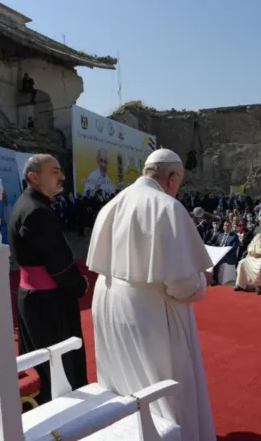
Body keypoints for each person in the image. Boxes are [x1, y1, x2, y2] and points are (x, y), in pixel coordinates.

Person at [86, 148, 216, 440]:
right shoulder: (167, 207)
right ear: (172, 177)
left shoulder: (112, 203)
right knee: (164, 389)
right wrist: (202, 279)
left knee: (123, 379)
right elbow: (182, 286)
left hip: (108, 300)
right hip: (148, 311)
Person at [9, 154, 89, 404]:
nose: (62, 176)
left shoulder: (28, 203)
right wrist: (80, 285)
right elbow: (59, 264)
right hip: (48, 303)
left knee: (42, 361)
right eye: (54, 172)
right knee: (59, 366)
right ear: (33, 177)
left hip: (35, 298)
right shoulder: (37, 212)